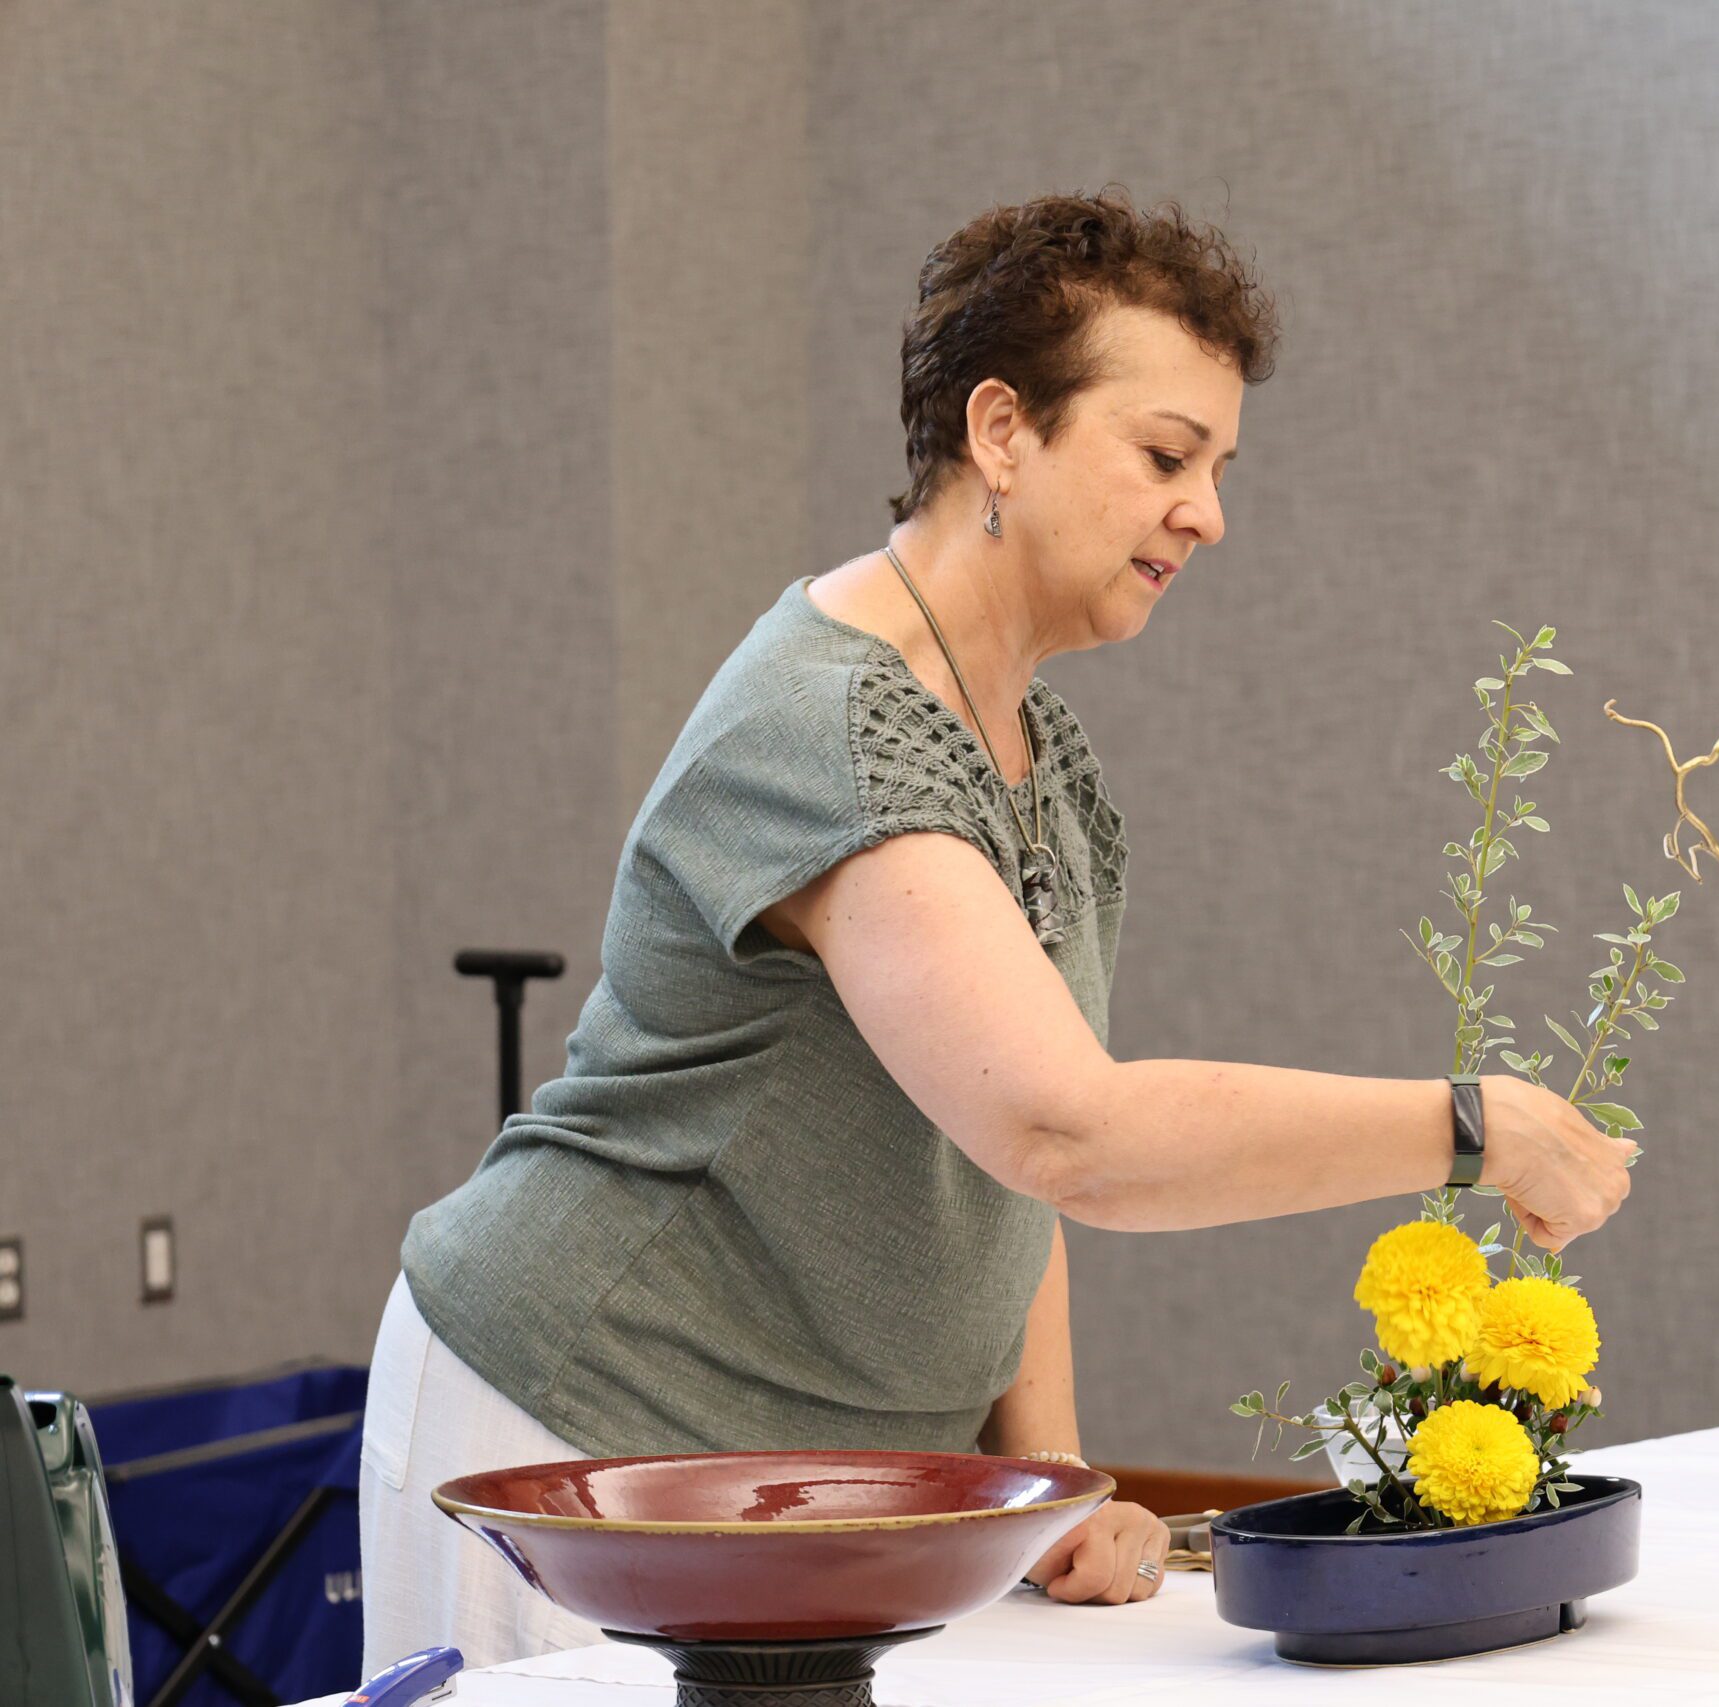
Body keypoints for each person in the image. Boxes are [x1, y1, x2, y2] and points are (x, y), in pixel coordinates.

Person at [358, 190, 1637, 1673]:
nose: (1208, 513)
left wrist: (1051, 1479)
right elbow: (1067, 1134)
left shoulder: (1039, 752)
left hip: (812, 1497)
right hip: (575, 1438)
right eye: (1166, 456)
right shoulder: (831, 731)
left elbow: (1004, 1156)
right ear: (1002, 431)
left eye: (1219, 469)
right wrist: (1470, 1128)